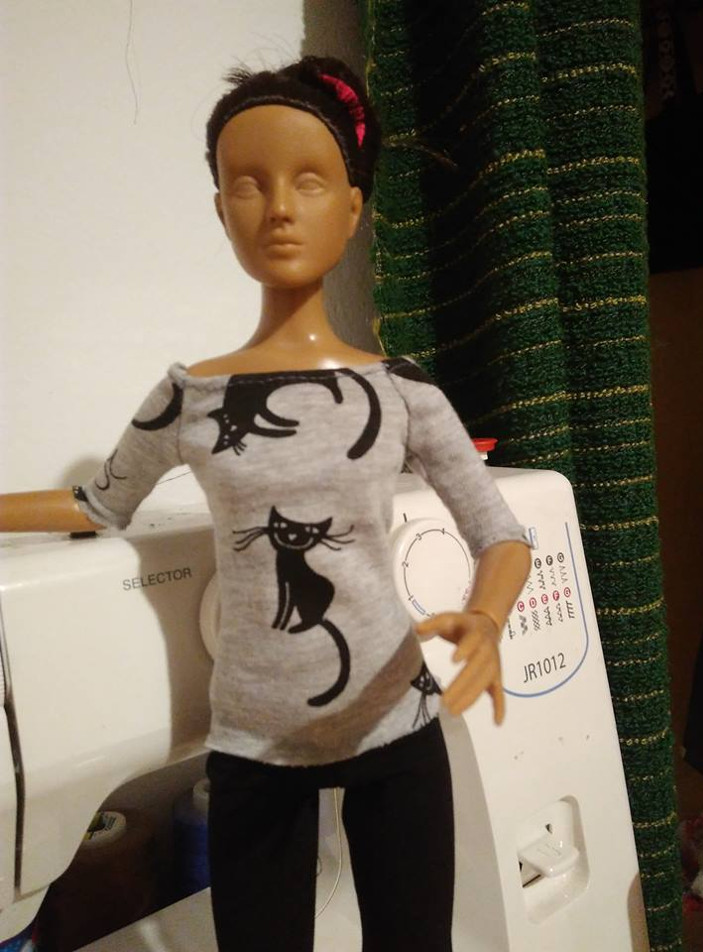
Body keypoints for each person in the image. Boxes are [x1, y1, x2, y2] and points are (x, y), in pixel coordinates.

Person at [0, 57, 531, 951]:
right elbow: (98, 505)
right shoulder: (190, 398)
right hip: (254, 738)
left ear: (353, 209)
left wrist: (486, 616)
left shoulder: (401, 391)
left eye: (309, 180)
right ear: (220, 210)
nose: (279, 207)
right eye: (248, 184)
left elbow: (498, 530)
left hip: (394, 715)